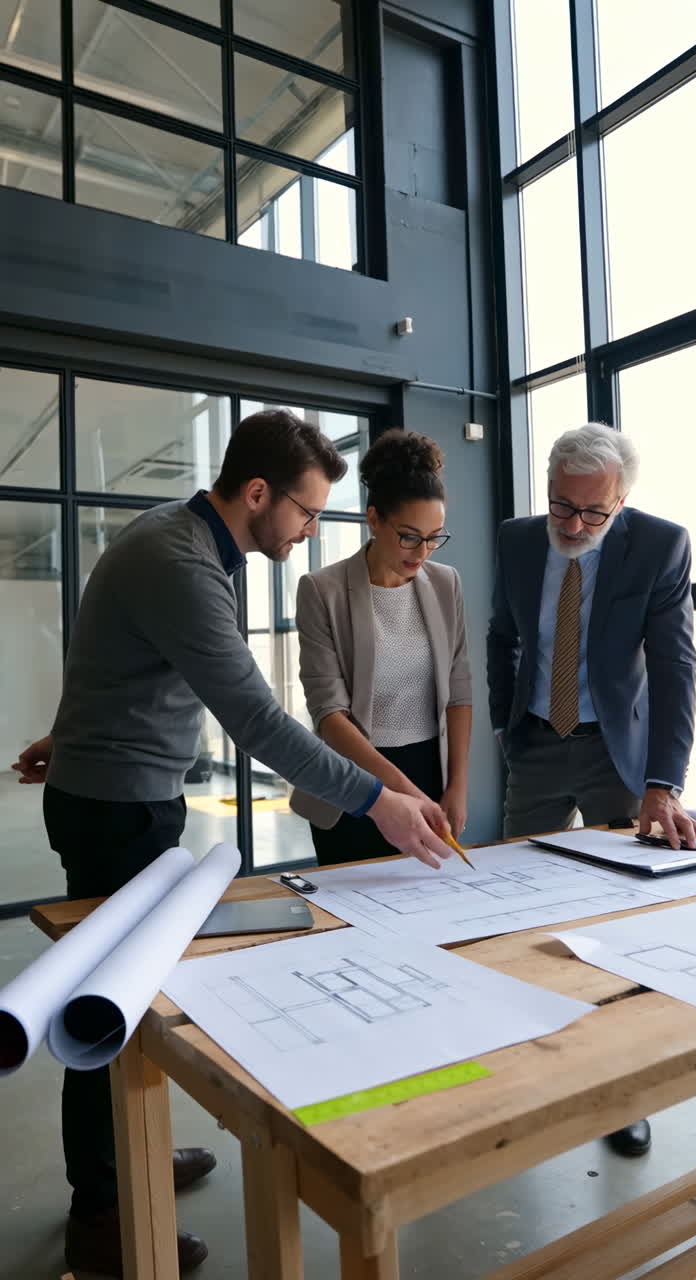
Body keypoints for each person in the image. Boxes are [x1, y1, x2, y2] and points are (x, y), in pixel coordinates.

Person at [13, 409, 454, 1277]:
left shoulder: (177, 539)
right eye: (305, 510)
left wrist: (70, 734)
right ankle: (102, 1211)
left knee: (132, 1000)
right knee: (106, 1009)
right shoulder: (182, 562)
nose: (309, 530)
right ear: (257, 493)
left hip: (115, 790)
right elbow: (254, 717)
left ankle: (127, 1160)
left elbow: (111, 657)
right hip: (119, 810)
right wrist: (381, 801)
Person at [486, 420, 696, 1158]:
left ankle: (624, 1092)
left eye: (592, 513)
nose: (573, 526)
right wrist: (500, 724)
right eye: (561, 507)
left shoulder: (661, 544)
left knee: (627, 927)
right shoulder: (517, 540)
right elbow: (501, 635)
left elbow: (675, 668)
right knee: (515, 911)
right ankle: (523, 1063)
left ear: (622, 500)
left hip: (620, 757)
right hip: (538, 744)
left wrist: (662, 784)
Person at [291, 429, 472, 865]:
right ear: (374, 520)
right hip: (353, 783)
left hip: (430, 771)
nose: (422, 551)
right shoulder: (322, 590)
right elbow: (330, 717)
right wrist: (405, 794)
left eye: (434, 537)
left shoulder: (446, 584)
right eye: (410, 536)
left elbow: (460, 690)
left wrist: (456, 787)